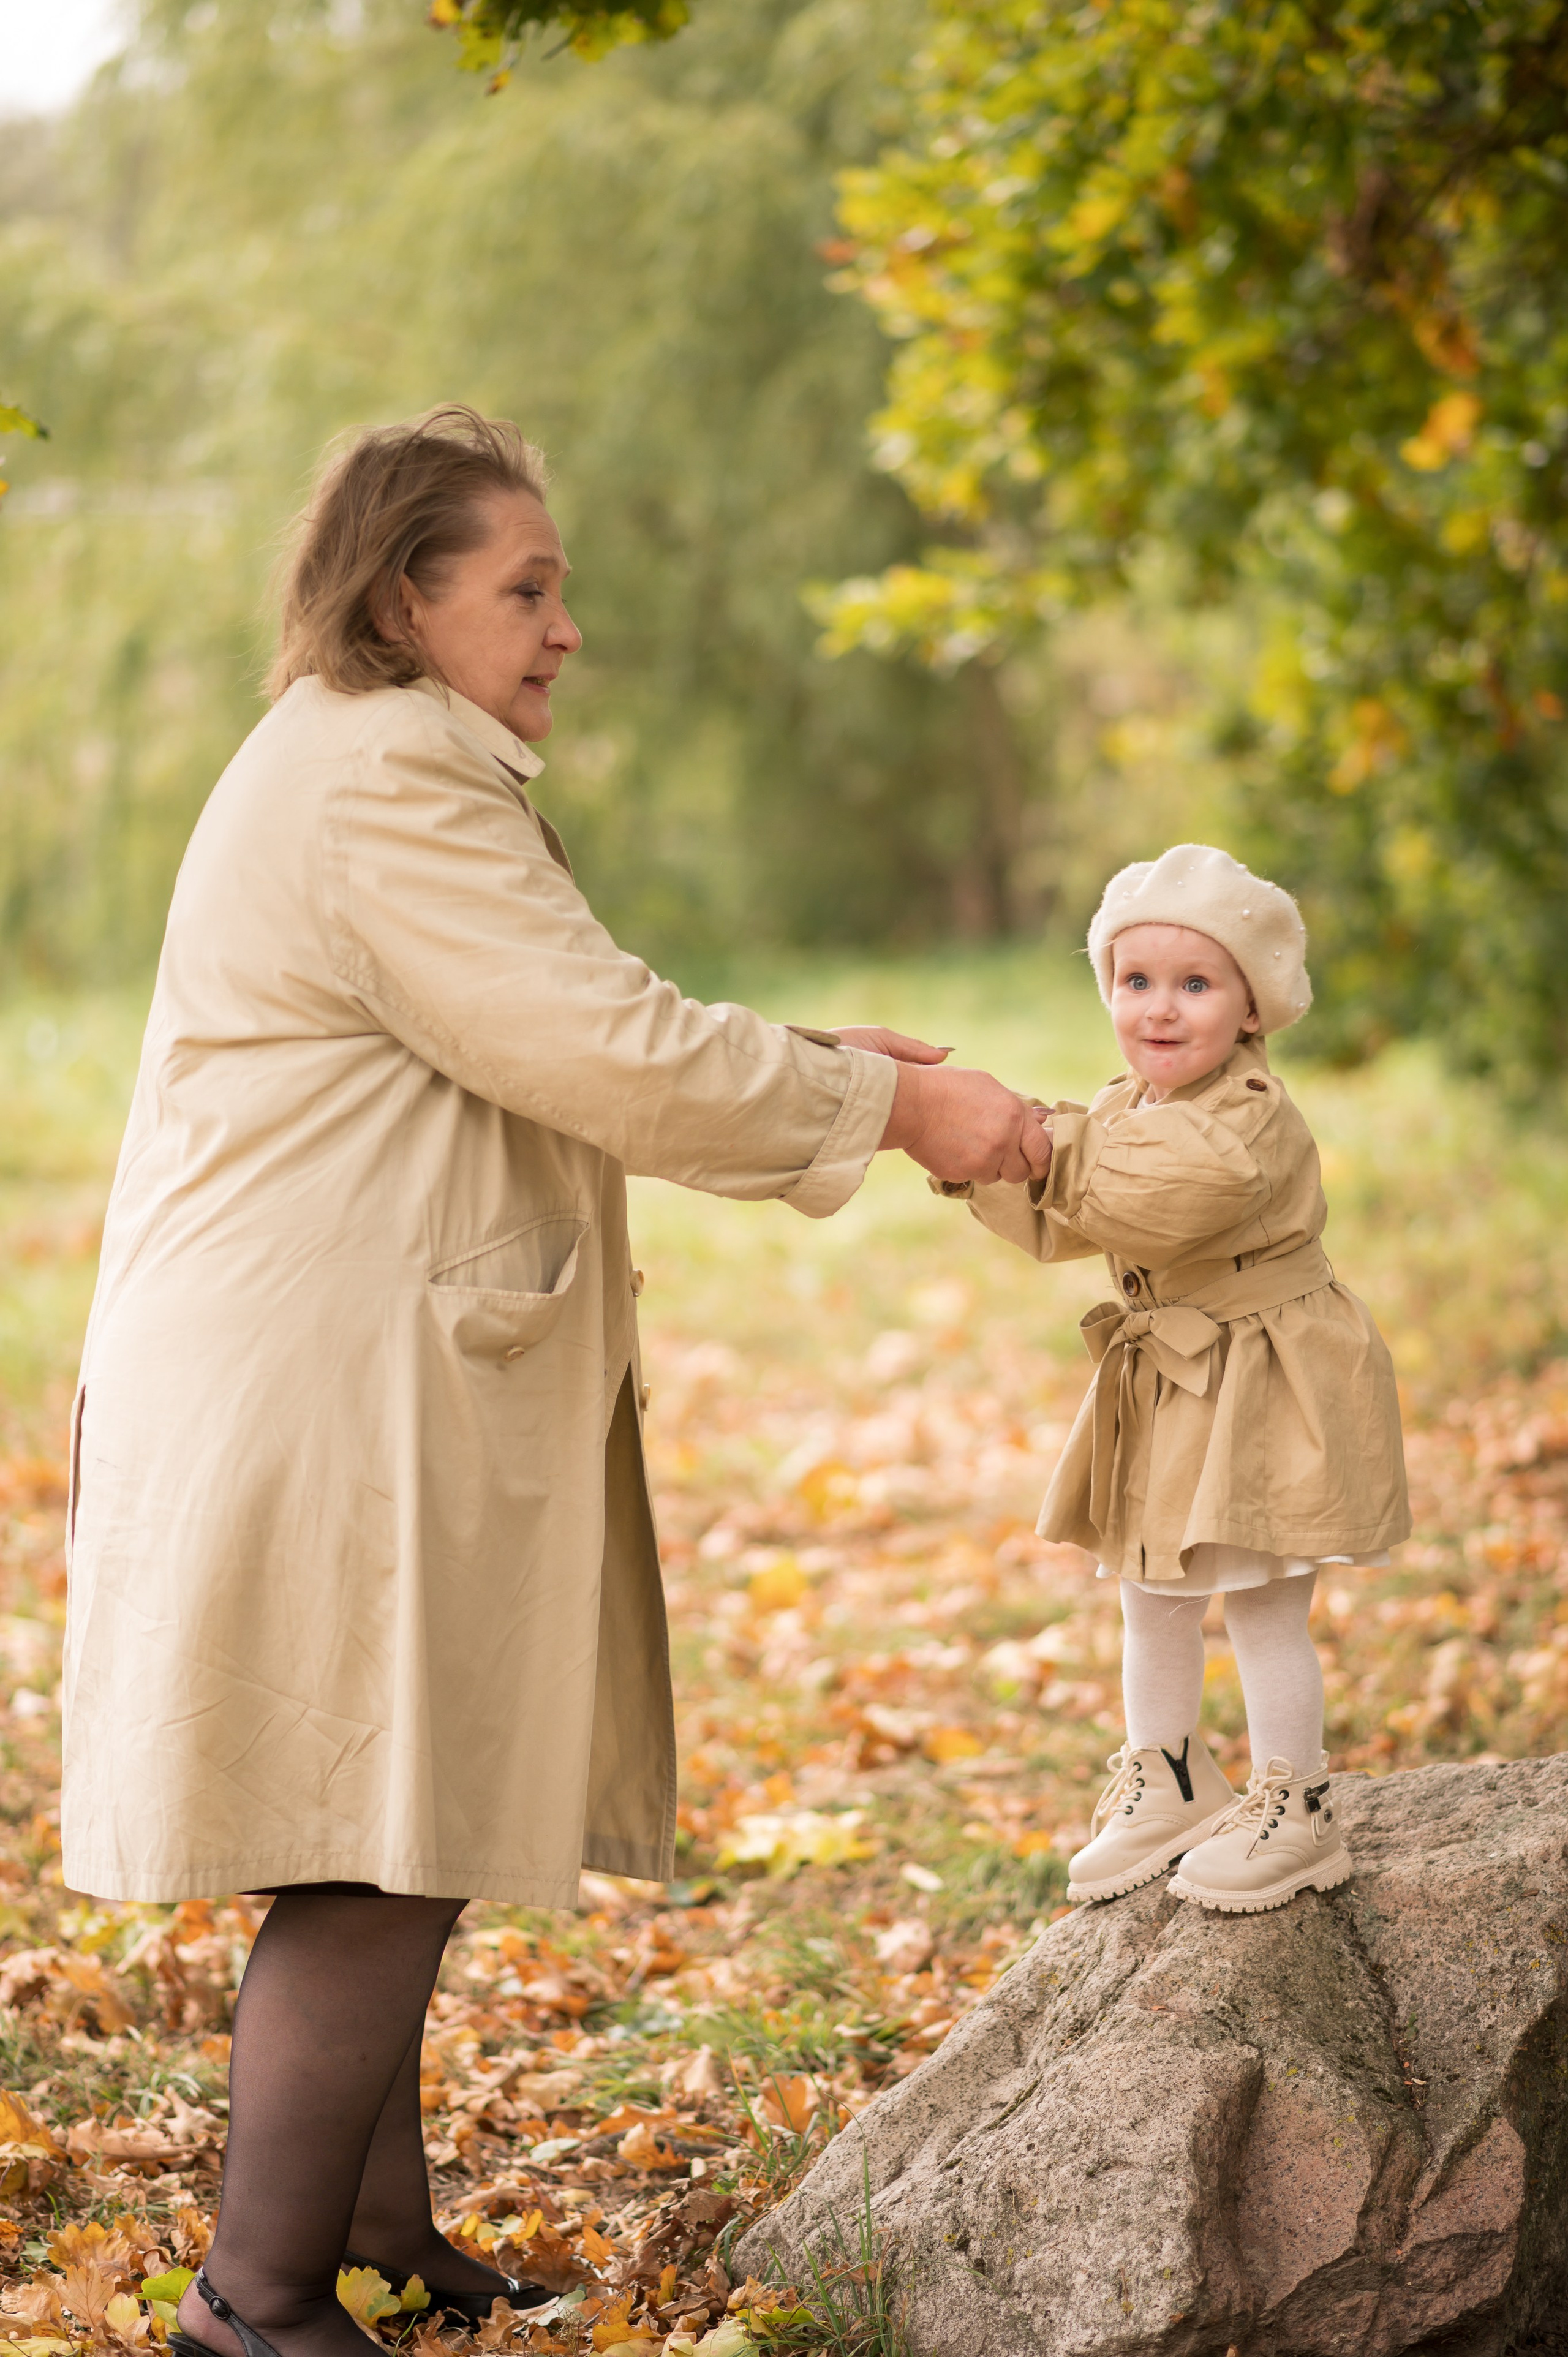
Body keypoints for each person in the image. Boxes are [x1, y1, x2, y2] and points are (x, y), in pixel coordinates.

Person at [59, 407, 1050, 2357]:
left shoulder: (384, 764)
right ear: (402, 597)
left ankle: (378, 2237)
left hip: (323, 1363)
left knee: (389, 1813)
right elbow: (604, 1046)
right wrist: (904, 1104)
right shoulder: (386, 781)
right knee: (366, 1846)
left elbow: (545, 1025)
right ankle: (256, 2302)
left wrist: (812, 1054)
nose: (564, 626)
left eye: (559, 585)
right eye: (527, 585)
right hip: (325, 1382)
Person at [935, 843, 1409, 1915]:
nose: (1159, 1009)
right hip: (1172, 1377)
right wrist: (981, 1157)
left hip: (1266, 1372)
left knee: (1260, 1600)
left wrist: (1037, 1139)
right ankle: (1174, 1777)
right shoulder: (1122, 1108)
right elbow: (1066, 1222)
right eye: (1134, 981)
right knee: (1150, 1592)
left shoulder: (1247, 1116)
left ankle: (1299, 1804)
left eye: (1195, 984)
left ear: (1252, 1009)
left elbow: (1158, 1198)